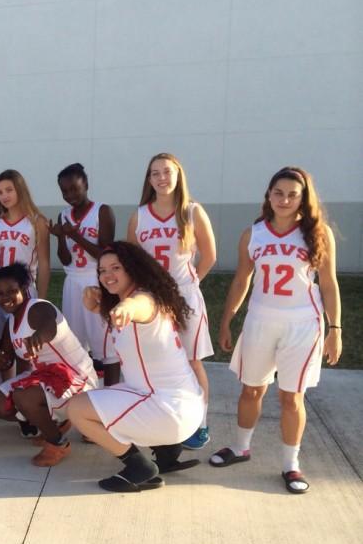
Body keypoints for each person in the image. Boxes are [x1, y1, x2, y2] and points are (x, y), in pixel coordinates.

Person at [210, 167, 342, 495]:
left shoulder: (317, 233)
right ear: (268, 196)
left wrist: (335, 328)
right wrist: (227, 319)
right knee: (251, 389)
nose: (284, 199)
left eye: (292, 194)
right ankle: (241, 447)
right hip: (260, 320)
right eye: (278, 193)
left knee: (291, 396)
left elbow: (328, 284)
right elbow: (242, 279)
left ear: (303, 198)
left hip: (301, 324)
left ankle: (290, 464)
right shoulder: (253, 233)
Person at [67, 242, 204, 492]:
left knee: (76, 409)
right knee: (119, 390)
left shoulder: (144, 300)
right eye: (102, 271)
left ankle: (138, 466)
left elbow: (139, 306)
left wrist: (125, 308)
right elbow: (119, 314)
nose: (107, 275)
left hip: (168, 410)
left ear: (133, 269)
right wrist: (98, 304)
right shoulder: (150, 297)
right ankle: (166, 452)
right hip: (181, 405)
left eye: (115, 268)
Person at [127, 152, 216, 450]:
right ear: (148, 180)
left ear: (178, 175)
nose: (162, 178)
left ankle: (199, 424)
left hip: (185, 297)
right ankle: (162, 418)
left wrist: (190, 283)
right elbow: (131, 260)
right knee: (157, 361)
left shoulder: (192, 212)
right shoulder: (139, 215)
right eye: (155, 173)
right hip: (152, 300)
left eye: (167, 172)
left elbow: (210, 255)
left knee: (192, 362)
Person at [0, 263, 97, 466]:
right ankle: (55, 422)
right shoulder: (10, 323)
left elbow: (49, 325)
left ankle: (58, 442)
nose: (6, 298)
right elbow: (6, 356)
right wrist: (0, 358)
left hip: (75, 376)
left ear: (25, 289)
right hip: (44, 378)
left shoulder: (38, 307)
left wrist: (38, 338)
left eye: (12, 291)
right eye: (0, 293)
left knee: (23, 397)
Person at [50, 163, 119, 385]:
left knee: (105, 344)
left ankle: (112, 395)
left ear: (86, 185)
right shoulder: (63, 215)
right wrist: (60, 237)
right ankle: (82, 392)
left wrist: (76, 236)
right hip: (73, 281)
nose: (70, 195)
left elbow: (105, 254)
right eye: (65, 191)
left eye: (75, 189)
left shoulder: (102, 211)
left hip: (96, 280)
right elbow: (65, 259)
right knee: (74, 343)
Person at [0, 169, 51, 338]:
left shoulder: (37, 222)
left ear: (20, 189)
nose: (4, 196)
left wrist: (41, 299)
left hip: (21, 288)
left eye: (9, 190)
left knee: (22, 339)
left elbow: (45, 264)